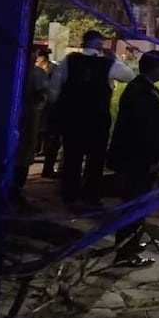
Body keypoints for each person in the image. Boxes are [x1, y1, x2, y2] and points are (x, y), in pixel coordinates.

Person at [48, 30, 135, 209]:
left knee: (72, 156)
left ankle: (69, 194)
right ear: (99, 44)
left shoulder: (69, 61)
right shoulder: (108, 64)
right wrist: (115, 58)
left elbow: (54, 89)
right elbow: (129, 76)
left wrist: (59, 111)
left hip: (73, 118)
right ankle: (90, 195)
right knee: (95, 160)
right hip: (97, 119)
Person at [107, 50, 159, 267]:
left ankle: (131, 243)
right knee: (135, 205)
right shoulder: (141, 93)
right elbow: (146, 132)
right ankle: (126, 252)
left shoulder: (142, 88)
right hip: (138, 160)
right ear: (156, 68)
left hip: (136, 159)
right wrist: (154, 159)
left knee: (136, 205)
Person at [10, 59, 49, 203]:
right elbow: (45, 93)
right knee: (24, 153)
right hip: (29, 116)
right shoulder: (36, 73)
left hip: (19, 116)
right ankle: (16, 189)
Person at [35, 48, 61, 178]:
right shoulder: (50, 69)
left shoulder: (49, 70)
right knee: (48, 137)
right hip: (47, 108)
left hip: (48, 108)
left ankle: (47, 166)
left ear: (41, 58)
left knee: (49, 137)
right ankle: (46, 164)